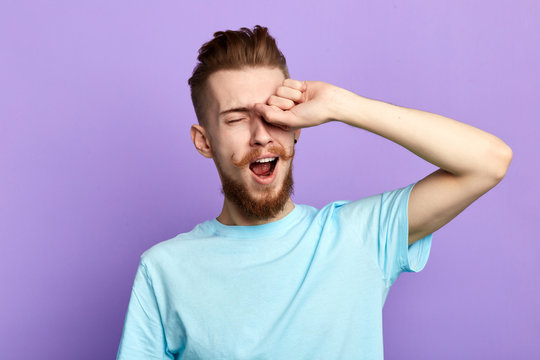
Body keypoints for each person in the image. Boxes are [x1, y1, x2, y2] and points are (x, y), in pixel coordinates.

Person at [116, 25, 512, 359]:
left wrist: (343, 105)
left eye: (274, 115)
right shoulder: (164, 270)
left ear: (297, 125)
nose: (260, 136)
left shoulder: (360, 236)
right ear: (204, 142)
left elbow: (489, 161)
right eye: (236, 119)